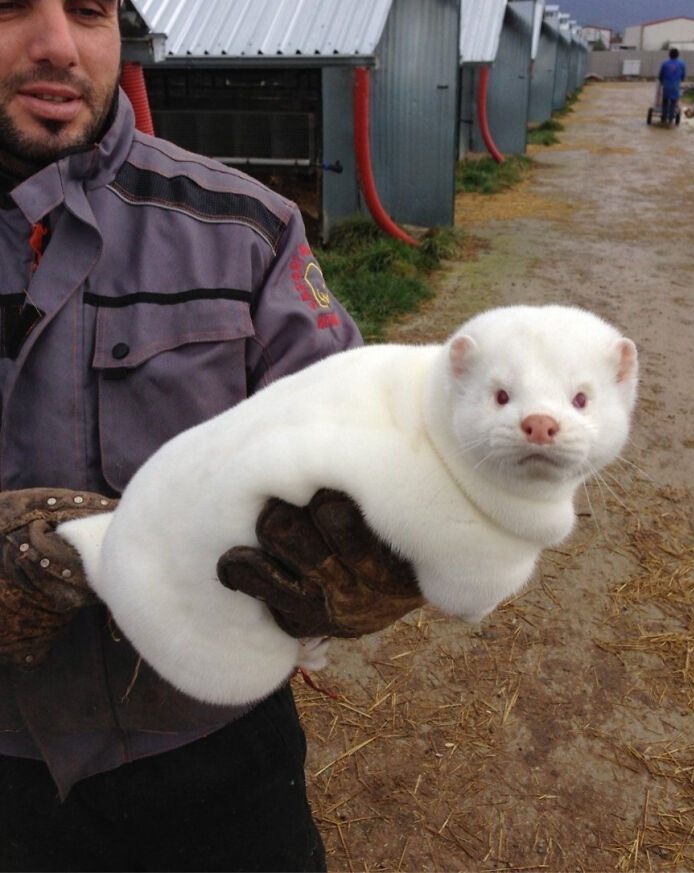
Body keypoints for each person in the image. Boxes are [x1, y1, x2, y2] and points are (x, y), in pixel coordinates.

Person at [0, 2, 423, 870]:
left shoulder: (244, 230)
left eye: (87, 10)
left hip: (212, 753)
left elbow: (378, 455)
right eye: (11, 7)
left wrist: (388, 559)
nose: (57, 46)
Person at [658, 47, 686, 127]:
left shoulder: (665, 63)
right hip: (676, 86)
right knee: (673, 103)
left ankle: (663, 117)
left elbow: (660, 75)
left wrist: (661, 82)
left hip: (666, 85)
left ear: (669, 55)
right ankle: (670, 120)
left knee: (665, 102)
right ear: (678, 55)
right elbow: (683, 75)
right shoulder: (681, 64)